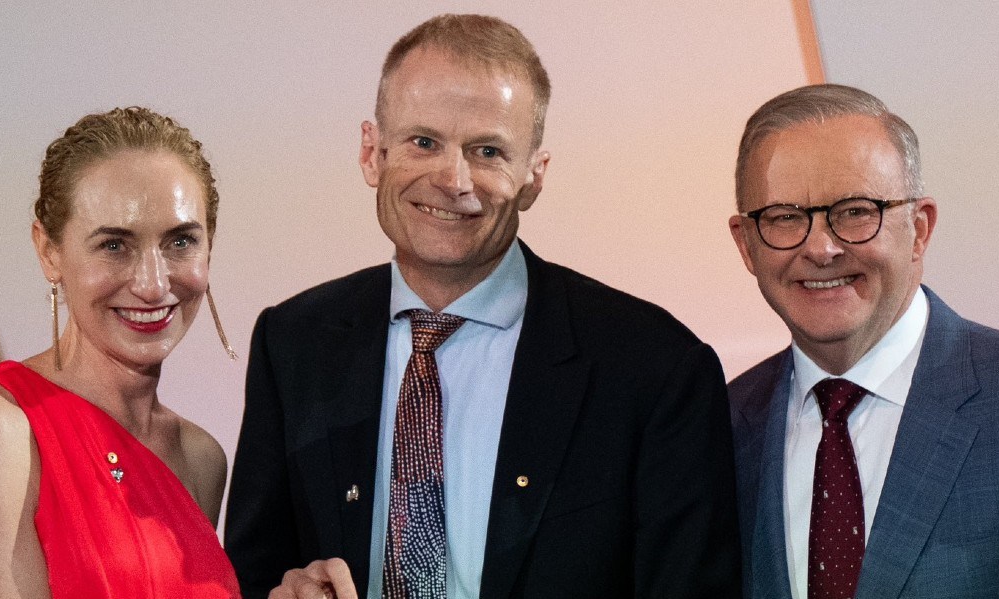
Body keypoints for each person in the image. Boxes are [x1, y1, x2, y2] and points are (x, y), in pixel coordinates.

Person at [225, 13, 738, 599]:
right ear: (372, 154)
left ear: (533, 177)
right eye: (423, 142)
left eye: (487, 151)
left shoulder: (655, 367)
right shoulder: (293, 343)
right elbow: (248, 578)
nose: (454, 179)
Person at [726, 83, 999, 598]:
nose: (822, 248)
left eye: (855, 211)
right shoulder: (721, 427)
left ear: (919, 229)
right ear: (746, 244)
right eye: (785, 218)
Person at [0, 107, 241, 598]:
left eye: (180, 241)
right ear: (49, 251)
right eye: (114, 245)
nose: (153, 284)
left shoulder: (202, 459)